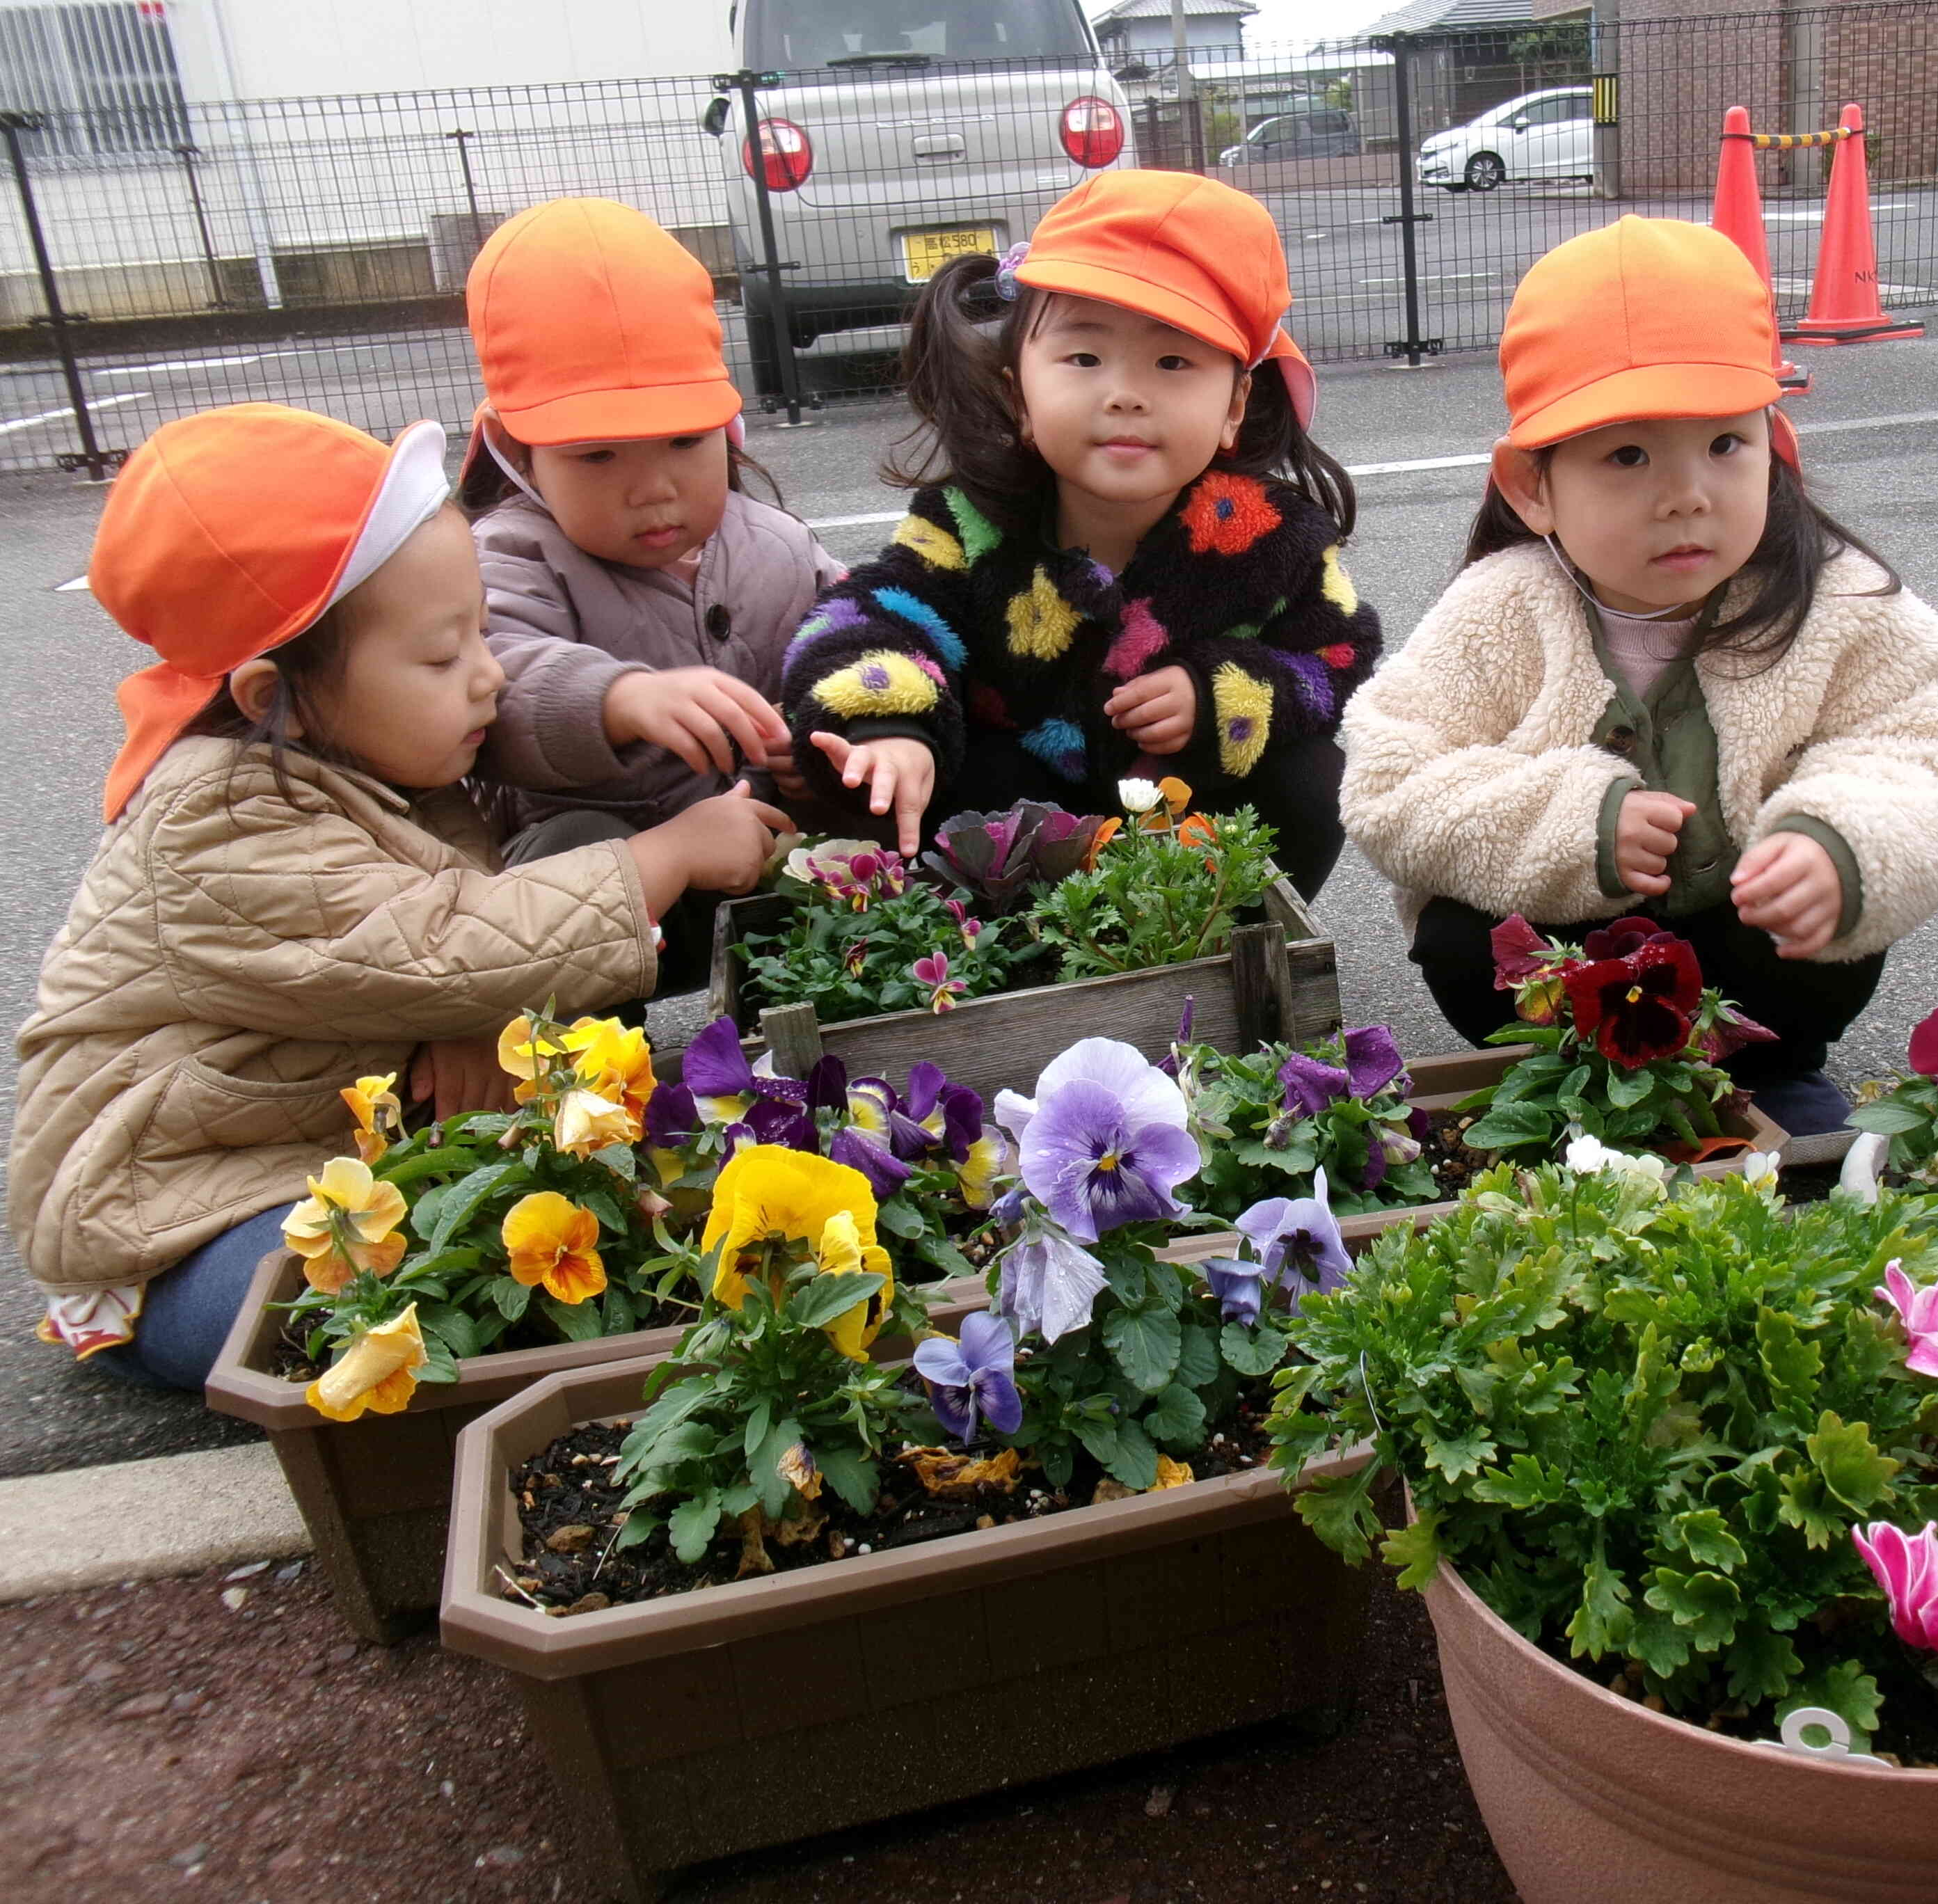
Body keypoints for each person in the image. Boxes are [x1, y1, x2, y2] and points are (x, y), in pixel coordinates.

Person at [13, 404, 786, 1389]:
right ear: (268, 699)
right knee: (413, 1298)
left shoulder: (370, 769)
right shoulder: (217, 820)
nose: (488, 676)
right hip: (176, 1232)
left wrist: (469, 1018)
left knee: (541, 1233)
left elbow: (433, 936)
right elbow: (450, 945)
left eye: (481, 636)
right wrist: (669, 853)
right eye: (440, 656)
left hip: (313, 1164)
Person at [1340, 219, 1938, 1136]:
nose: (1689, 492)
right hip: (1566, 977)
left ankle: (1770, 1076)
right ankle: (1564, 1091)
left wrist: (1836, 843)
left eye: (1725, 445)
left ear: (1775, 441)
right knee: (1462, 938)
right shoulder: (1500, 609)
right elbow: (1389, 780)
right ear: (1533, 486)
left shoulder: (1834, 597)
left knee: (1824, 933)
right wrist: (1582, 824)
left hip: (1747, 974)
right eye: (1628, 455)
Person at [780, 170, 1379, 899]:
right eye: (1084, 358)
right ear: (1018, 394)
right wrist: (890, 728)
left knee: (1311, 780)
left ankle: (1231, 945)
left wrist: (1219, 694)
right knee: (957, 771)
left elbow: (1339, 656)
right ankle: (1018, 971)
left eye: (1173, 362)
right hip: (1023, 840)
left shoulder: (1271, 536)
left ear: (1234, 405)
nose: (1124, 393)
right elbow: (865, 614)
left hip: (1188, 820)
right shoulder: (973, 518)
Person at [458, 197, 840, 990]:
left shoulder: (776, 544)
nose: (653, 490)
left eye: (682, 439)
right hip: (612, 896)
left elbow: (858, 641)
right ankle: (588, 1090)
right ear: (518, 455)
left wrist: (826, 747)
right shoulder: (506, 555)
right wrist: (617, 699)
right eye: (597, 455)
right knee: (572, 838)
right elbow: (495, 680)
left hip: (769, 852)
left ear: (728, 429)